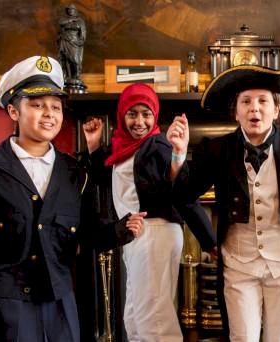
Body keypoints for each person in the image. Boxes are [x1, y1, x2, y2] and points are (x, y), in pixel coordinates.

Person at [0, 56, 143, 342]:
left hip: (59, 299)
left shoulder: (74, 173)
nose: (49, 114)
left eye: (55, 107)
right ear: (14, 111)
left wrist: (120, 230)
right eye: (37, 105)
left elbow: (87, 231)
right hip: (8, 301)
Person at [167, 65, 280, 342]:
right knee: (243, 337)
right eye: (246, 102)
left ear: (276, 109)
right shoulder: (217, 149)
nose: (254, 109)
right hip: (238, 264)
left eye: (263, 101)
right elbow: (184, 195)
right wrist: (178, 154)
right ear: (235, 111)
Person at [82, 83, 216, 342]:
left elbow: (184, 195)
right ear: (122, 115)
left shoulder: (158, 146)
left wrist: (209, 242)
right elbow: (106, 179)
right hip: (135, 236)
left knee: (155, 320)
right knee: (134, 318)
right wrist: (94, 146)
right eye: (132, 114)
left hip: (155, 232)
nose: (139, 121)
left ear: (155, 115)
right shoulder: (124, 147)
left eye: (146, 114)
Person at [58, 4, 86, 86]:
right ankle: (68, 76)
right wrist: (71, 20)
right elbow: (61, 23)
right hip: (65, 40)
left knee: (75, 60)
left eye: (72, 9)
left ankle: (76, 76)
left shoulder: (80, 21)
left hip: (74, 41)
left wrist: (81, 41)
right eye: (69, 9)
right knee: (66, 59)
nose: (70, 11)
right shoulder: (64, 20)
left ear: (75, 11)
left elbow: (83, 32)